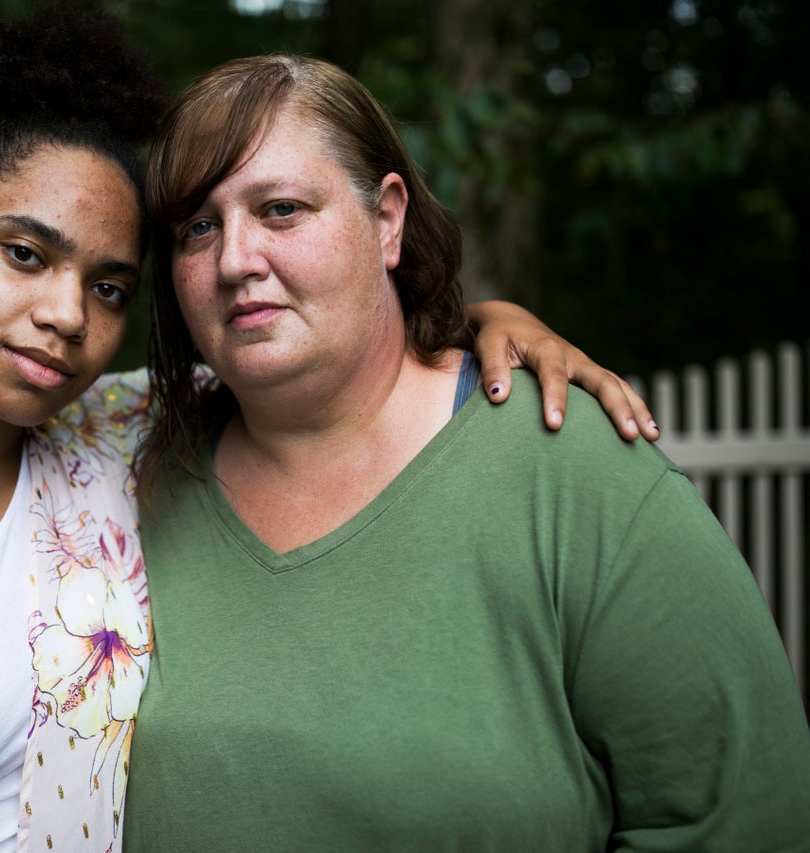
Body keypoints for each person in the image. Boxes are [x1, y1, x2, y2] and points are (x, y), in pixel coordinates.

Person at [0, 7, 657, 851]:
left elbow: (326, 355)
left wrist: (484, 322)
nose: (67, 314)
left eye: (108, 285)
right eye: (25, 254)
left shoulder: (113, 444)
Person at [123, 55, 810, 851]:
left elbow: (745, 814)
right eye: (197, 227)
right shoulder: (129, 472)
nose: (234, 259)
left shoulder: (569, 467)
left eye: (280, 209)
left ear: (387, 220)